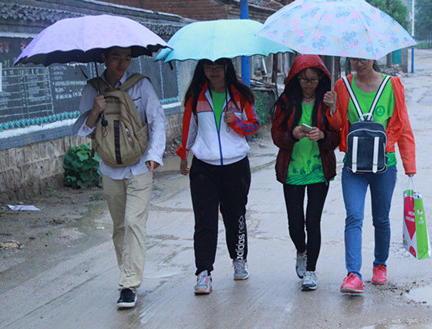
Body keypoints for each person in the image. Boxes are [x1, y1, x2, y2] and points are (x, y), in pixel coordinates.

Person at [73, 46, 167, 308]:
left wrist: (154, 155)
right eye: (116, 57)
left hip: (140, 166)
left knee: (133, 222)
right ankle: (127, 272)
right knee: (119, 227)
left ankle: (128, 284)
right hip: (109, 168)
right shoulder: (93, 88)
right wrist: (95, 110)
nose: (122, 64)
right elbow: (82, 130)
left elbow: (157, 120)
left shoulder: (141, 85)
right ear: (104, 58)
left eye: (127, 58)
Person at [323, 57, 416, 294]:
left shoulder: (392, 85)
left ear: (373, 57)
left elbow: (403, 125)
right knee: (354, 216)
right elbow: (337, 125)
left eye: (362, 58)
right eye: (353, 59)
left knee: (381, 219)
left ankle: (380, 265)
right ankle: (353, 275)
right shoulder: (342, 85)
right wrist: (331, 107)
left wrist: (409, 165)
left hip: (385, 165)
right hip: (353, 166)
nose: (358, 63)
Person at [176, 58, 259, 295]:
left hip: (236, 166)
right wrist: (184, 154)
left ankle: (239, 260)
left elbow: (254, 126)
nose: (213, 71)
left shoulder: (241, 96)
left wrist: (237, 122)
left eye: (218, 66)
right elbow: (189, 128)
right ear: (202, 69)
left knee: (236, 217)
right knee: (205, 221)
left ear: (226, 68)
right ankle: (203, 272)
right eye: (208, 67)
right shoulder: (196, 96)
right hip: (204, 169)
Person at [270, 54, 340, 291]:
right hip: (291, 171)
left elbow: (337, 136)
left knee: (313, 221)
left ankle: (311, 270)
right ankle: (302, 250)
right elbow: (276, 136)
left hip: (319, 171)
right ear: (295, 79)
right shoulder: (286, 102)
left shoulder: (327, 102)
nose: (308, 85)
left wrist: (323, 135)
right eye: (303, 80)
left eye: (313, 80)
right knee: (295, 224)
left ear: (321, 79)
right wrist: (292, 134)